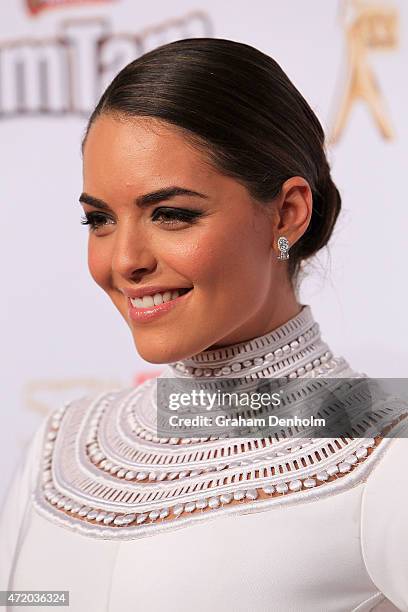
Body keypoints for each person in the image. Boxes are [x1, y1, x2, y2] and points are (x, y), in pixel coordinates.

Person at [0, 37, 407, 612]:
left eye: (172, 214)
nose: (124, 261)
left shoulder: (386, 451)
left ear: (287, 213)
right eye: (100, 220)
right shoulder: (62, 444)